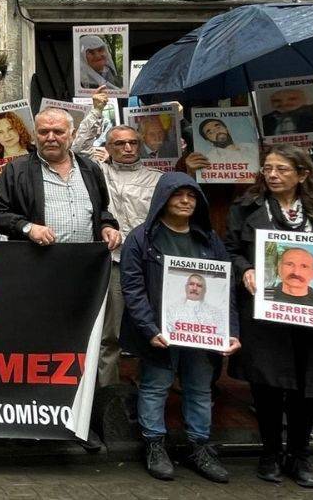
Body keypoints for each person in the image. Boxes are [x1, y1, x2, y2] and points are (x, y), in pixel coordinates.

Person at [120, 172, 239, 483]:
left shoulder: (210, 240)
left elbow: (226, 291)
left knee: (199, 390)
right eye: (178, 195)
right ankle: (154, 445)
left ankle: (199, 447)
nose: (186, 201)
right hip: (159, 334)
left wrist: (231, 331)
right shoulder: (141, 239)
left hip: (203, 336)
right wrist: (148, 329)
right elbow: (132, 289)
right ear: (163, 198)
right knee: (155, 387)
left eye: (192, 195)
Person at [226, 145, 313, 487]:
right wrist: (246, 269)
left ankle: (300, 457)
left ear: (303, 175)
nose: (273, 175)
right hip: (264, 314)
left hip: (310, 317)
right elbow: (231, 249)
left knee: (305, 388)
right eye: (268, 169)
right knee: (266, 385)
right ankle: (269, 454)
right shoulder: (247, 206)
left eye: (282, 169)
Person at [0, 107, 122, 250]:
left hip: (85, 264)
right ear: (34, 134)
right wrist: (27, 228)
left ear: (73, 134)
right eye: (43, 132)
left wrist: (106, 227)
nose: (50, 138)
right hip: (35, 263)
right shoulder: (16, 170)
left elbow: (101, 211)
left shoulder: (90, 168)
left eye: (58, 132)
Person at [90, 119, 162, 388]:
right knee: (111, 335)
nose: (128, 148)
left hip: (148, 263)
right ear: (108, 147)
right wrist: (97, 111)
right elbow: (76, 148)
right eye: (120, 144)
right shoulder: (98, 173)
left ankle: (149, 393)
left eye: (133, 142)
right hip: (115, 262)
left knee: (152, 330)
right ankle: (109, 397)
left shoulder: (157, 179)